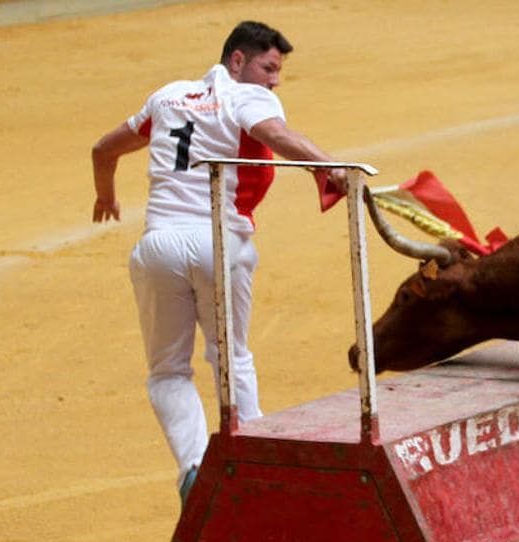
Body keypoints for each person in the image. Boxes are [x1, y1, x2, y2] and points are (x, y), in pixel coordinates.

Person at [91, 21, 348, 505]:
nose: (274, 80)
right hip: (219, 245)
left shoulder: (167, 96)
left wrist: (106, 197)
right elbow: (276, 133)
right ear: (238, 61)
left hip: (159, 246)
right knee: (232, 357)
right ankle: (254, 458)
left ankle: (192, 467)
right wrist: (329, 166)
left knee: (168, 371)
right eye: (269, 68)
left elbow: (104, 149)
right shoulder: (244, 96)